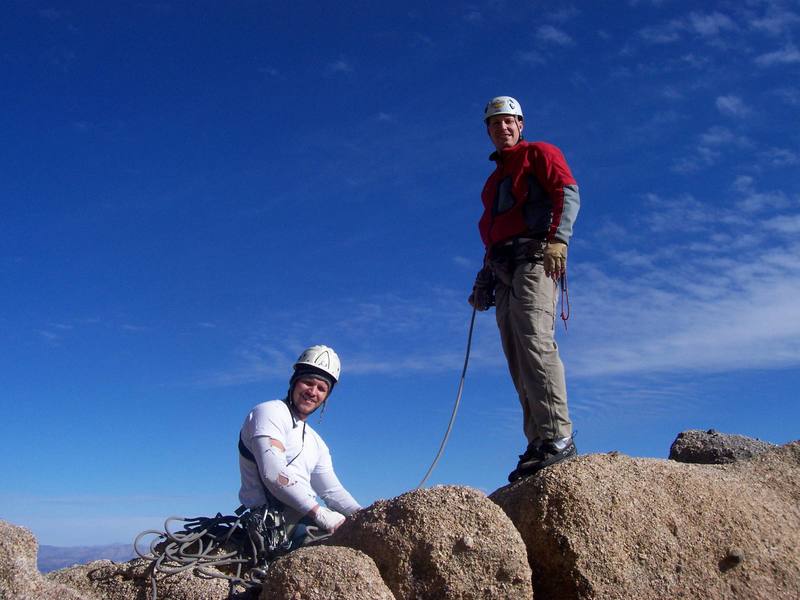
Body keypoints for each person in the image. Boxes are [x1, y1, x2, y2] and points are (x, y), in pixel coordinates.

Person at [470, 95, 581, 483]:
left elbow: (567, 193)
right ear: (488, 131)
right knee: (516, 351)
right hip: (504, 268)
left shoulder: (540, 153)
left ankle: (558, 436)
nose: (502, 128)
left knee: (534, 339)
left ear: (520, 124)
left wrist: (560, 240)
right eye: (495, 123)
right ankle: (538, 441)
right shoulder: (493, 181)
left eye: (508, 121)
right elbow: (493, 233)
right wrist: (484, 276)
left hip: (536, 257)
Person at [237, 344, 361, 546]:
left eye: (322, 388)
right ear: (294, 382)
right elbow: (273, 473)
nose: (313, 392)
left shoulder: (316, 442)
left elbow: (332, 491)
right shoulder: (269, 413)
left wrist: (367, 515)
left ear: (326, 398)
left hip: (302, 518)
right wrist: (319, 513)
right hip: (270, 525)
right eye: (308, 382)